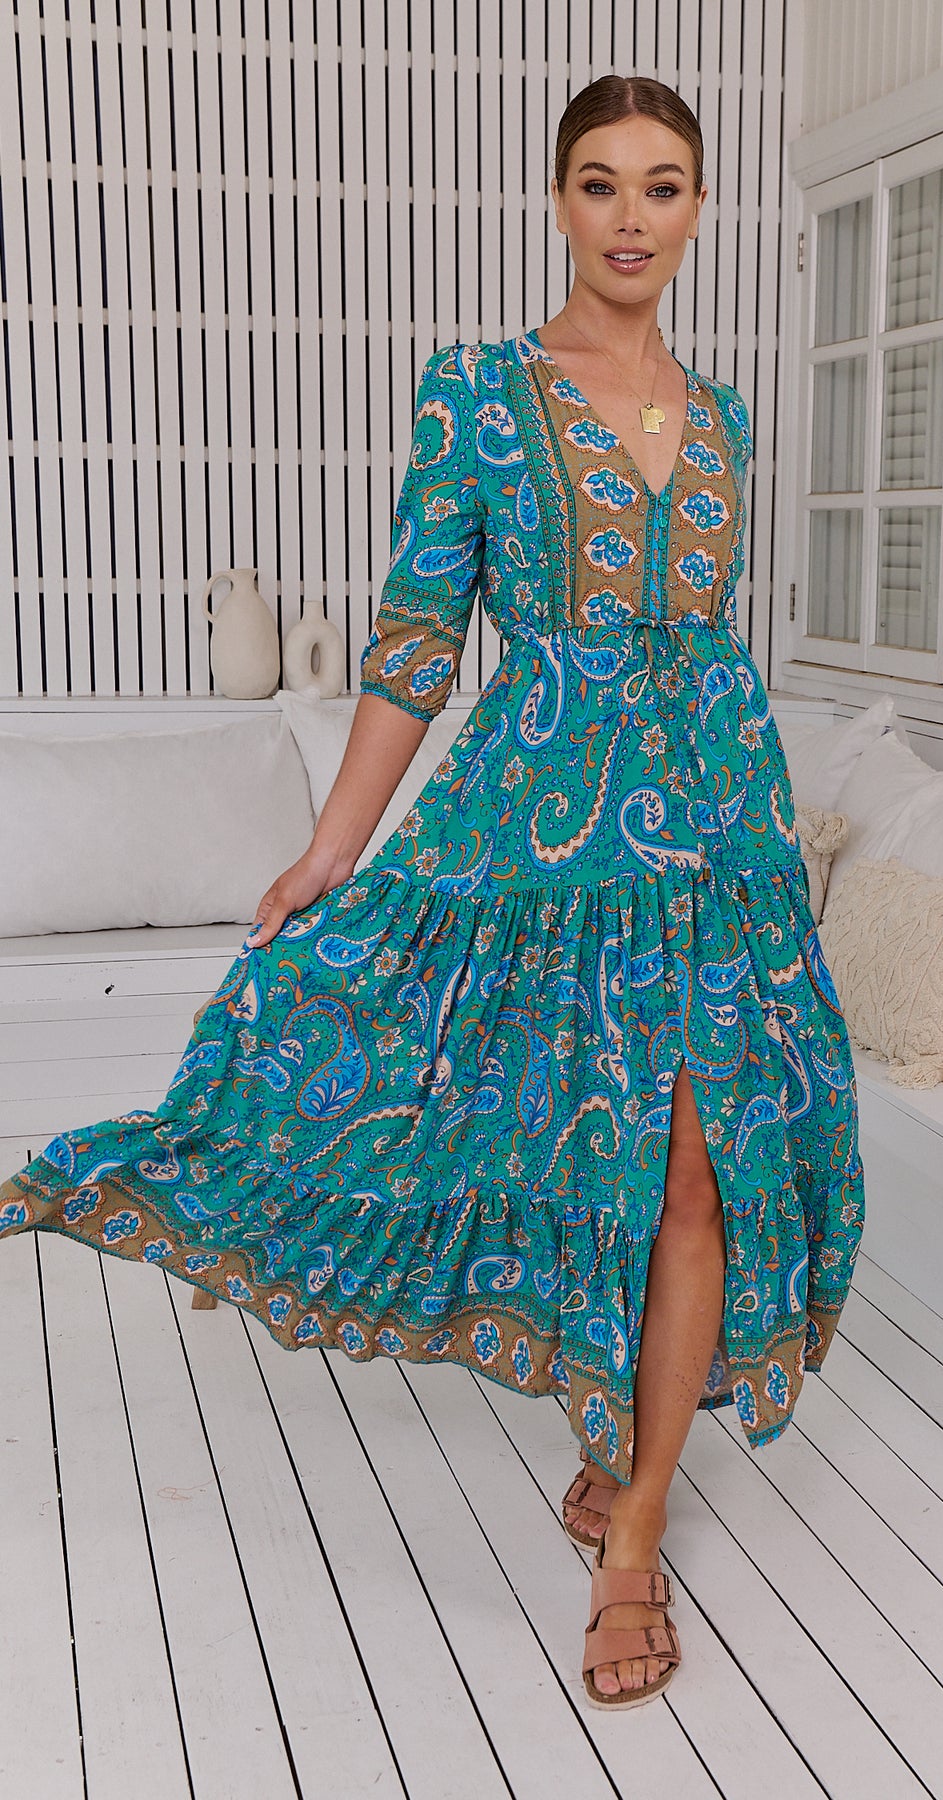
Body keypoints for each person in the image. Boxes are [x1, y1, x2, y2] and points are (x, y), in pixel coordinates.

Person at [0, 75, 864, 1711]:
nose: (630, 216)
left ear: (700, 210)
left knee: (698, 1173)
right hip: (538, 844)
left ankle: (636, 1522)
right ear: (559, 201)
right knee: (576, 1156)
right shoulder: (481, 391)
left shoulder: (728, 415)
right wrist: (333, 848)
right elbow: (415, 638)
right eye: (599, 182)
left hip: (718, 848)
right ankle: (616, 1436)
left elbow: (704, 648)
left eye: (663, 185)